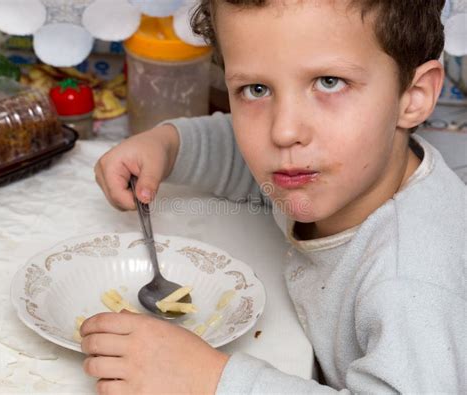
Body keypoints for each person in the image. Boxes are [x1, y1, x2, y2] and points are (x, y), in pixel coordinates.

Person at [81, 0, 466, 393]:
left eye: (329, 82)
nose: (283, 131)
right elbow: (241, 157)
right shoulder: (332, 172)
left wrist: (212, 381)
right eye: (257, 89)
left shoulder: (413, 280)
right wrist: (169, 145)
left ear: (413, 97)